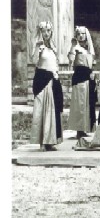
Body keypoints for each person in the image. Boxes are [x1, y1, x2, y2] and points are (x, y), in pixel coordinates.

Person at [30, 21, 63, 151]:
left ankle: (50, 141)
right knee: (43, 111)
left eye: (49, 31)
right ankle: (42, 142)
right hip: (42, 82)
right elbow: (34, 61)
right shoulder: (39, 46)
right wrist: (37, 48)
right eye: (44, 31)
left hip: (53, 81)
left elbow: (55, 64)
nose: (46, 33)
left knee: (52, 112)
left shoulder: (52, 47)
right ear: (40, 32)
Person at [67, 26, 97, 139]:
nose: (81, 36)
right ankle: (79, 130)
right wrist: (73, 47)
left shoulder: (89, 49)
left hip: (88, 77)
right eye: (78, 33)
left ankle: (85, 128)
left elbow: (91, 64)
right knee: (79, 104)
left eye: (83, 34)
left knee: (87, 104)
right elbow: (70, 60)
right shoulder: (76, 48)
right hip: (79, 77)